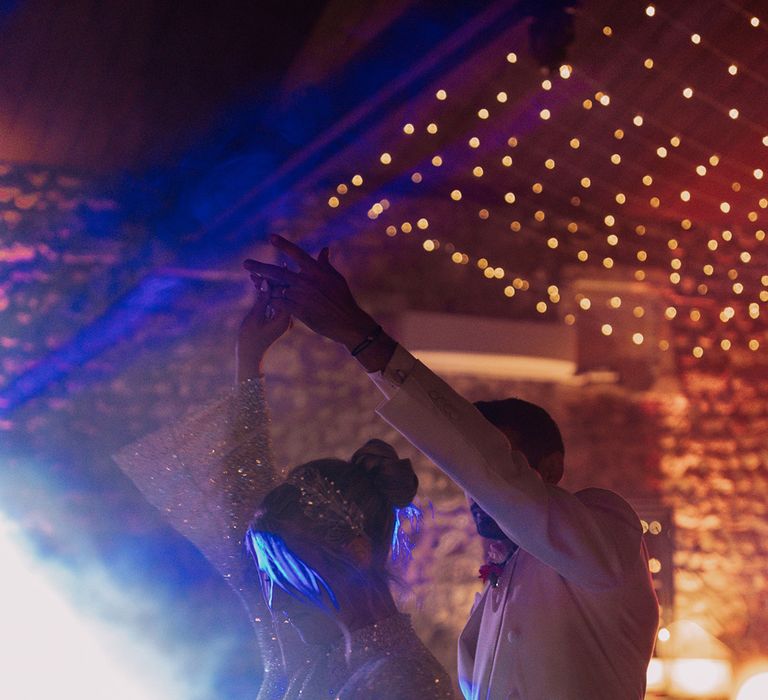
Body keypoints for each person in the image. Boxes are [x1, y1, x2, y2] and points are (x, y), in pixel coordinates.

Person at [244, 235, 660, 700]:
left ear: (551, 467)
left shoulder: (607, 533)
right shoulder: (488, 603)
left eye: (506, 459)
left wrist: (363, 339)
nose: (479, 484)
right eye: (473, 473)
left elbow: (495, 476)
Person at [113, 280, 454, 699]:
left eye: (285, 573)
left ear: (356, 551)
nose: (273, 601)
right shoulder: (318, 659)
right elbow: (243, 495)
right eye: (269, 576)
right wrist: (249, 362)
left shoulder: (405, 682)